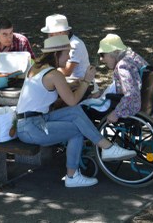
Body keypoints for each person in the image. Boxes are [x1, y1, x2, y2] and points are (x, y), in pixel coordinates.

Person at [15, 35, 137, 188]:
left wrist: (79, 86)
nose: (69, 58)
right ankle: (72, 176)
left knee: (76, 111)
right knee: (77, 130)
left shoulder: (36, 68)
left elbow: (61, 99)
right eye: (67, 53)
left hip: (32, 120)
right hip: (31, 127)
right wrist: (86, 81)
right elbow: (72, 100)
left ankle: (107, 148)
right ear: (56, 54)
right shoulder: (55, 74)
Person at [90, 33, 149, 123]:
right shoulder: (134, 57)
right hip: (145, 103)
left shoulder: (122, 65)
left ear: (112, 53)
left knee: (85, 110)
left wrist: (116, 113)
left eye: (102, 55)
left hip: (129, 108)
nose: (101, 59)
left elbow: (131, 94)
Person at [41, 14, 90, 79]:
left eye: (51, 35)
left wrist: (45, 68)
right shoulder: (62, 44)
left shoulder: (75, 44)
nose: (49, 38)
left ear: (61, 32)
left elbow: (66, 72)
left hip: (81, 84)